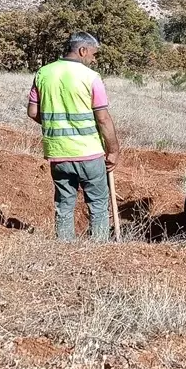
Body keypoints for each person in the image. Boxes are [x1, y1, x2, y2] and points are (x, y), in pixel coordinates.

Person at [27, 32, 121, 242]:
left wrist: (57, 125)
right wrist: (113, 150)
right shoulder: (91, 77)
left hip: (58, 154)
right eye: (94, 54)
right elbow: (103, 119)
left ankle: (64, 248)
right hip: (89, 154)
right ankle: (99, 248)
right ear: (82, 50)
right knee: (97, 203)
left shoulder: (43, 73)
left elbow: (33, 112)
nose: (93, 59)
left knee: (64, 204)